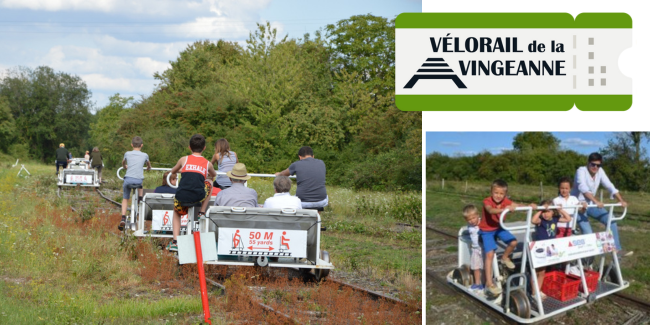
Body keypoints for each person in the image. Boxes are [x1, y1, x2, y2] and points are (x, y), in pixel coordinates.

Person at [479, 179, 536, 296]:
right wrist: (504, 209)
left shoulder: (505, 201)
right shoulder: (487, 201)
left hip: (499, 228)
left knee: (513, 242)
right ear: (491, 192)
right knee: (490, 254)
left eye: (501, 194)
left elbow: (515, 205)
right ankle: (489, 284)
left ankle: (504, 258)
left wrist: (528, 206)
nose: (498, 196)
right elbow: (490, 210)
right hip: (487, 230)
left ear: (505, 194)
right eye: (496, 193)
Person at [571, 152, 632, 257]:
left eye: (598, 165)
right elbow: (583, 187)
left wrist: (621, 200)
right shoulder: (581, 171)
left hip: (591, 204)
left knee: (611, 220)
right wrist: (596, 201)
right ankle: (587, 261)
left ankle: (616, 252)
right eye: (593, 164)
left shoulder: (600, 172)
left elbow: (609, 185)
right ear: (588, 163)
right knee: (588, 233)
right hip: (578, 206)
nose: (595, 167)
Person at [167, 134, 217, 251]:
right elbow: (213, 174)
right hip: (198, 196)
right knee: (210, 182)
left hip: (182, 196)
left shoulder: (183, 160)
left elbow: (173, 171)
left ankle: (175, 241)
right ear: (204, 148)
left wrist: (183, 169)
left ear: (189, 147)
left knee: (176, 213)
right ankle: (202, 211)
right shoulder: (207, 163)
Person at [531, 200, 572, 300]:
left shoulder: (555, 219)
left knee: (542, 272)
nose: (546, 214)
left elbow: (568, 218)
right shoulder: (541, 221)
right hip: (540, 249)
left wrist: (560, 209)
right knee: (538, 271)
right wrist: (540, 210)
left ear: (553, 212)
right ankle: (534, 293)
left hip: (550, 248)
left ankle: (537, 291)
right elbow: (533, 220)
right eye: (544, 212)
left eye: (548, 211)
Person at [119, 136, 152, 231]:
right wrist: (148, 167)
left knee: (125, 198)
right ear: (141, 145)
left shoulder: (127, 153)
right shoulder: (145, 155)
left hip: (128, 180)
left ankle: (123, 217)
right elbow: (148, 164)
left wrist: (124, 166)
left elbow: (123, 162)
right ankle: (140, 200)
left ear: (132, 145)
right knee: (140, 185)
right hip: (138, 180)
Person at [463, 204, 484, 295]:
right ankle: (477, 283)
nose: (472, 221)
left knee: (484, 267)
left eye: (473, 218)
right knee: (476, 267)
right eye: (469, 220)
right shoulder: (469, 226)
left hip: (483, 249)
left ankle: (484, 284)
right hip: (475, 249)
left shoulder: (482, 223)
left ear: (478, 216)